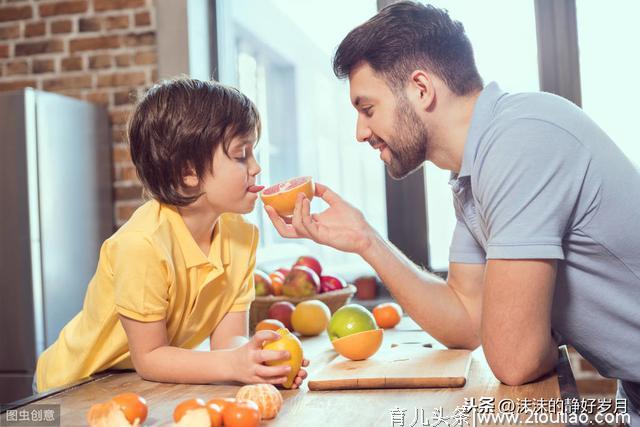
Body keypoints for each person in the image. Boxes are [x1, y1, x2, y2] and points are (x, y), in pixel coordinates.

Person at [264, 1, 640, 423]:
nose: (360, 132)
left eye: (367, 109)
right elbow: (465, 320)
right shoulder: (473, 174)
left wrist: (530, 330)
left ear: (421, 89)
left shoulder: (520, 141)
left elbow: (513, 359)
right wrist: (365, 241)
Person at [35, 78, 308, 393]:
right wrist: (233, 364)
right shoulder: (142, 244)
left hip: (131, 383)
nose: (257, 167)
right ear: (187, 172)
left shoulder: (242, 237)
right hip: (71, 385)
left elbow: (228, 343)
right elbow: (150, 357)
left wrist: (254, 361)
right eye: (241, 154)